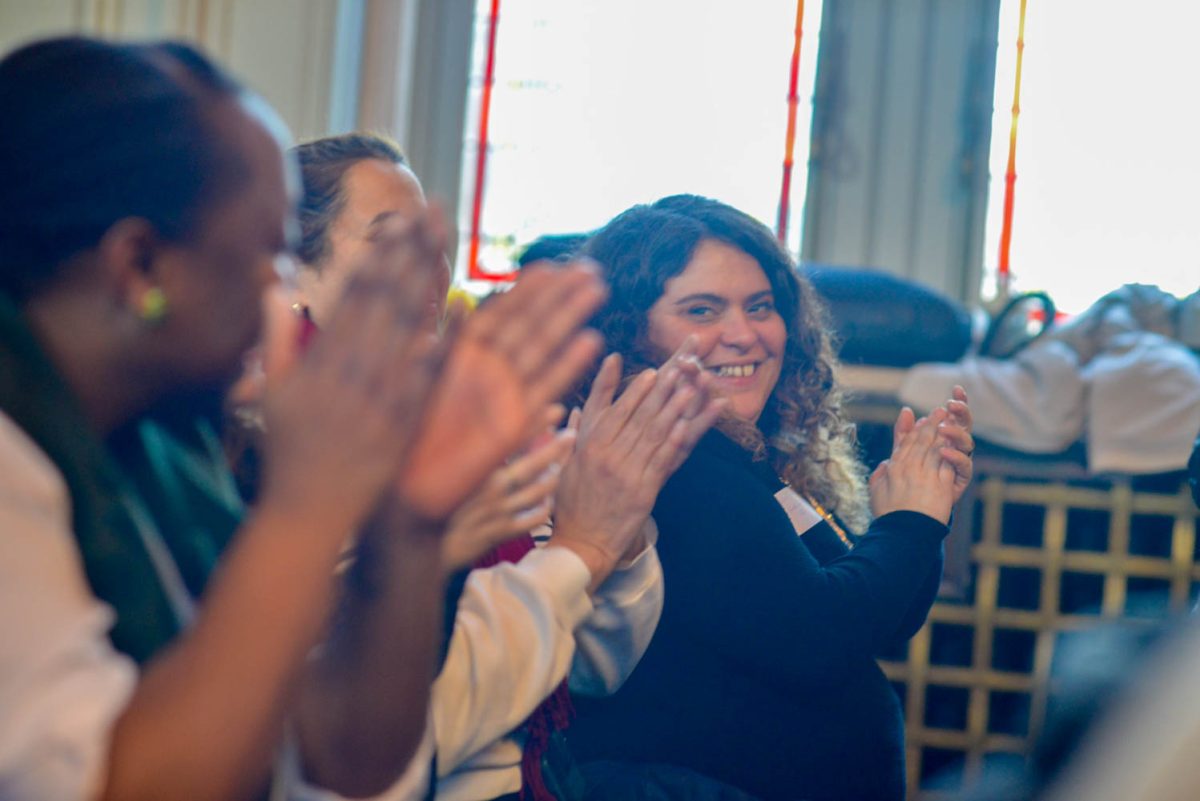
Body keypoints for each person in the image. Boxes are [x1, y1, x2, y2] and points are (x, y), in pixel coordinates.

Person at [0, 37, 607, 801]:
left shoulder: (165, 444)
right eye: (272, 253)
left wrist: (408, 530)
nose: (284, 287)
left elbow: (342, 757)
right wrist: (307, 503)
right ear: (140, 266)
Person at [286, 133, 725, 801]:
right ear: (290, 269)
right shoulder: (288, 440)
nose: (432, 268)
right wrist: (580, 550)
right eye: (393, 241)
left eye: (436, 244)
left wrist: (616, 526)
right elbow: (398, 737)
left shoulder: (447, 415)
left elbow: (592, 668)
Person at [567, 194, 975, 801]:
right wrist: (910, 525)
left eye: (760, 307)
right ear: (627, 330)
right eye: (702, 310)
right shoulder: (676, 468)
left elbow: (876, 622)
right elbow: (821, 639)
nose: (744, 335)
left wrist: (918, 510)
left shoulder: (736, 453)